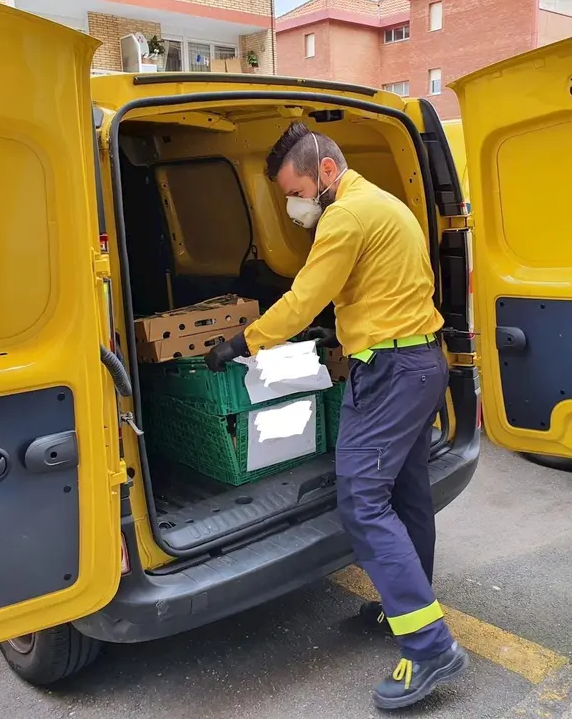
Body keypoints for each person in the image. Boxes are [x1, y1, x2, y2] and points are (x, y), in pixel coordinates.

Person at [205, 122, 467, 710]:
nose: (294, 206)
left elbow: (304, 296)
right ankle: (406, 608)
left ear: (325, 170)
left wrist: (247, 341)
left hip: (390, 375)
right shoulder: (385, 204)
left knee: (361, 500)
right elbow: (380, 287)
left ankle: (429, 646)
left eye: (296, 192)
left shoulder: (344, 217)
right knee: (407, 496)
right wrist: (344, 329)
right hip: (421, 362)